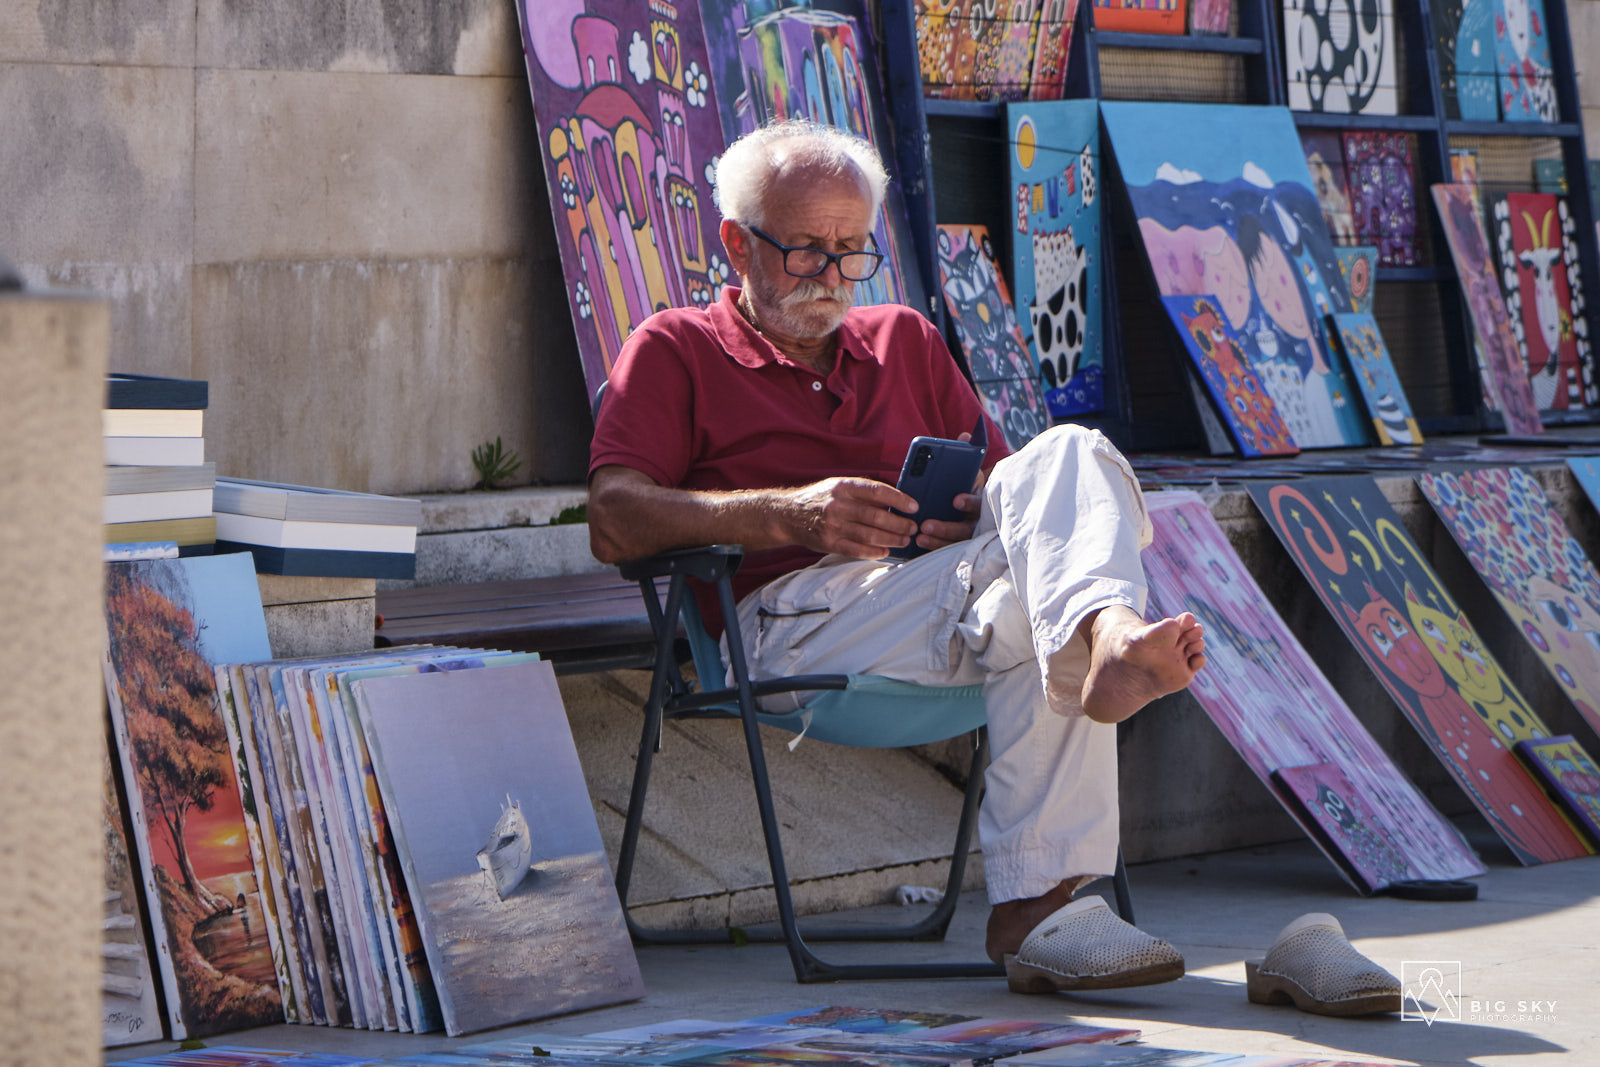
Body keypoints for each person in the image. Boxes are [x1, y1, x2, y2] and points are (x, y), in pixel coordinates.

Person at [588, 119, 1206, 992]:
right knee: (1044, 590)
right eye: (805, 251)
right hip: (784, 623)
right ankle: (1047, 890)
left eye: (850, 251)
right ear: (736, 241)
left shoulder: (905, 339)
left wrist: (967, 516)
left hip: (935, 599)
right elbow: (611, 519)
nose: (832, 276)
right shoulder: (674, 347)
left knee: (1068, 455)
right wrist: (786, 516)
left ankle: (1099, 661)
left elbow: (1012, 490)